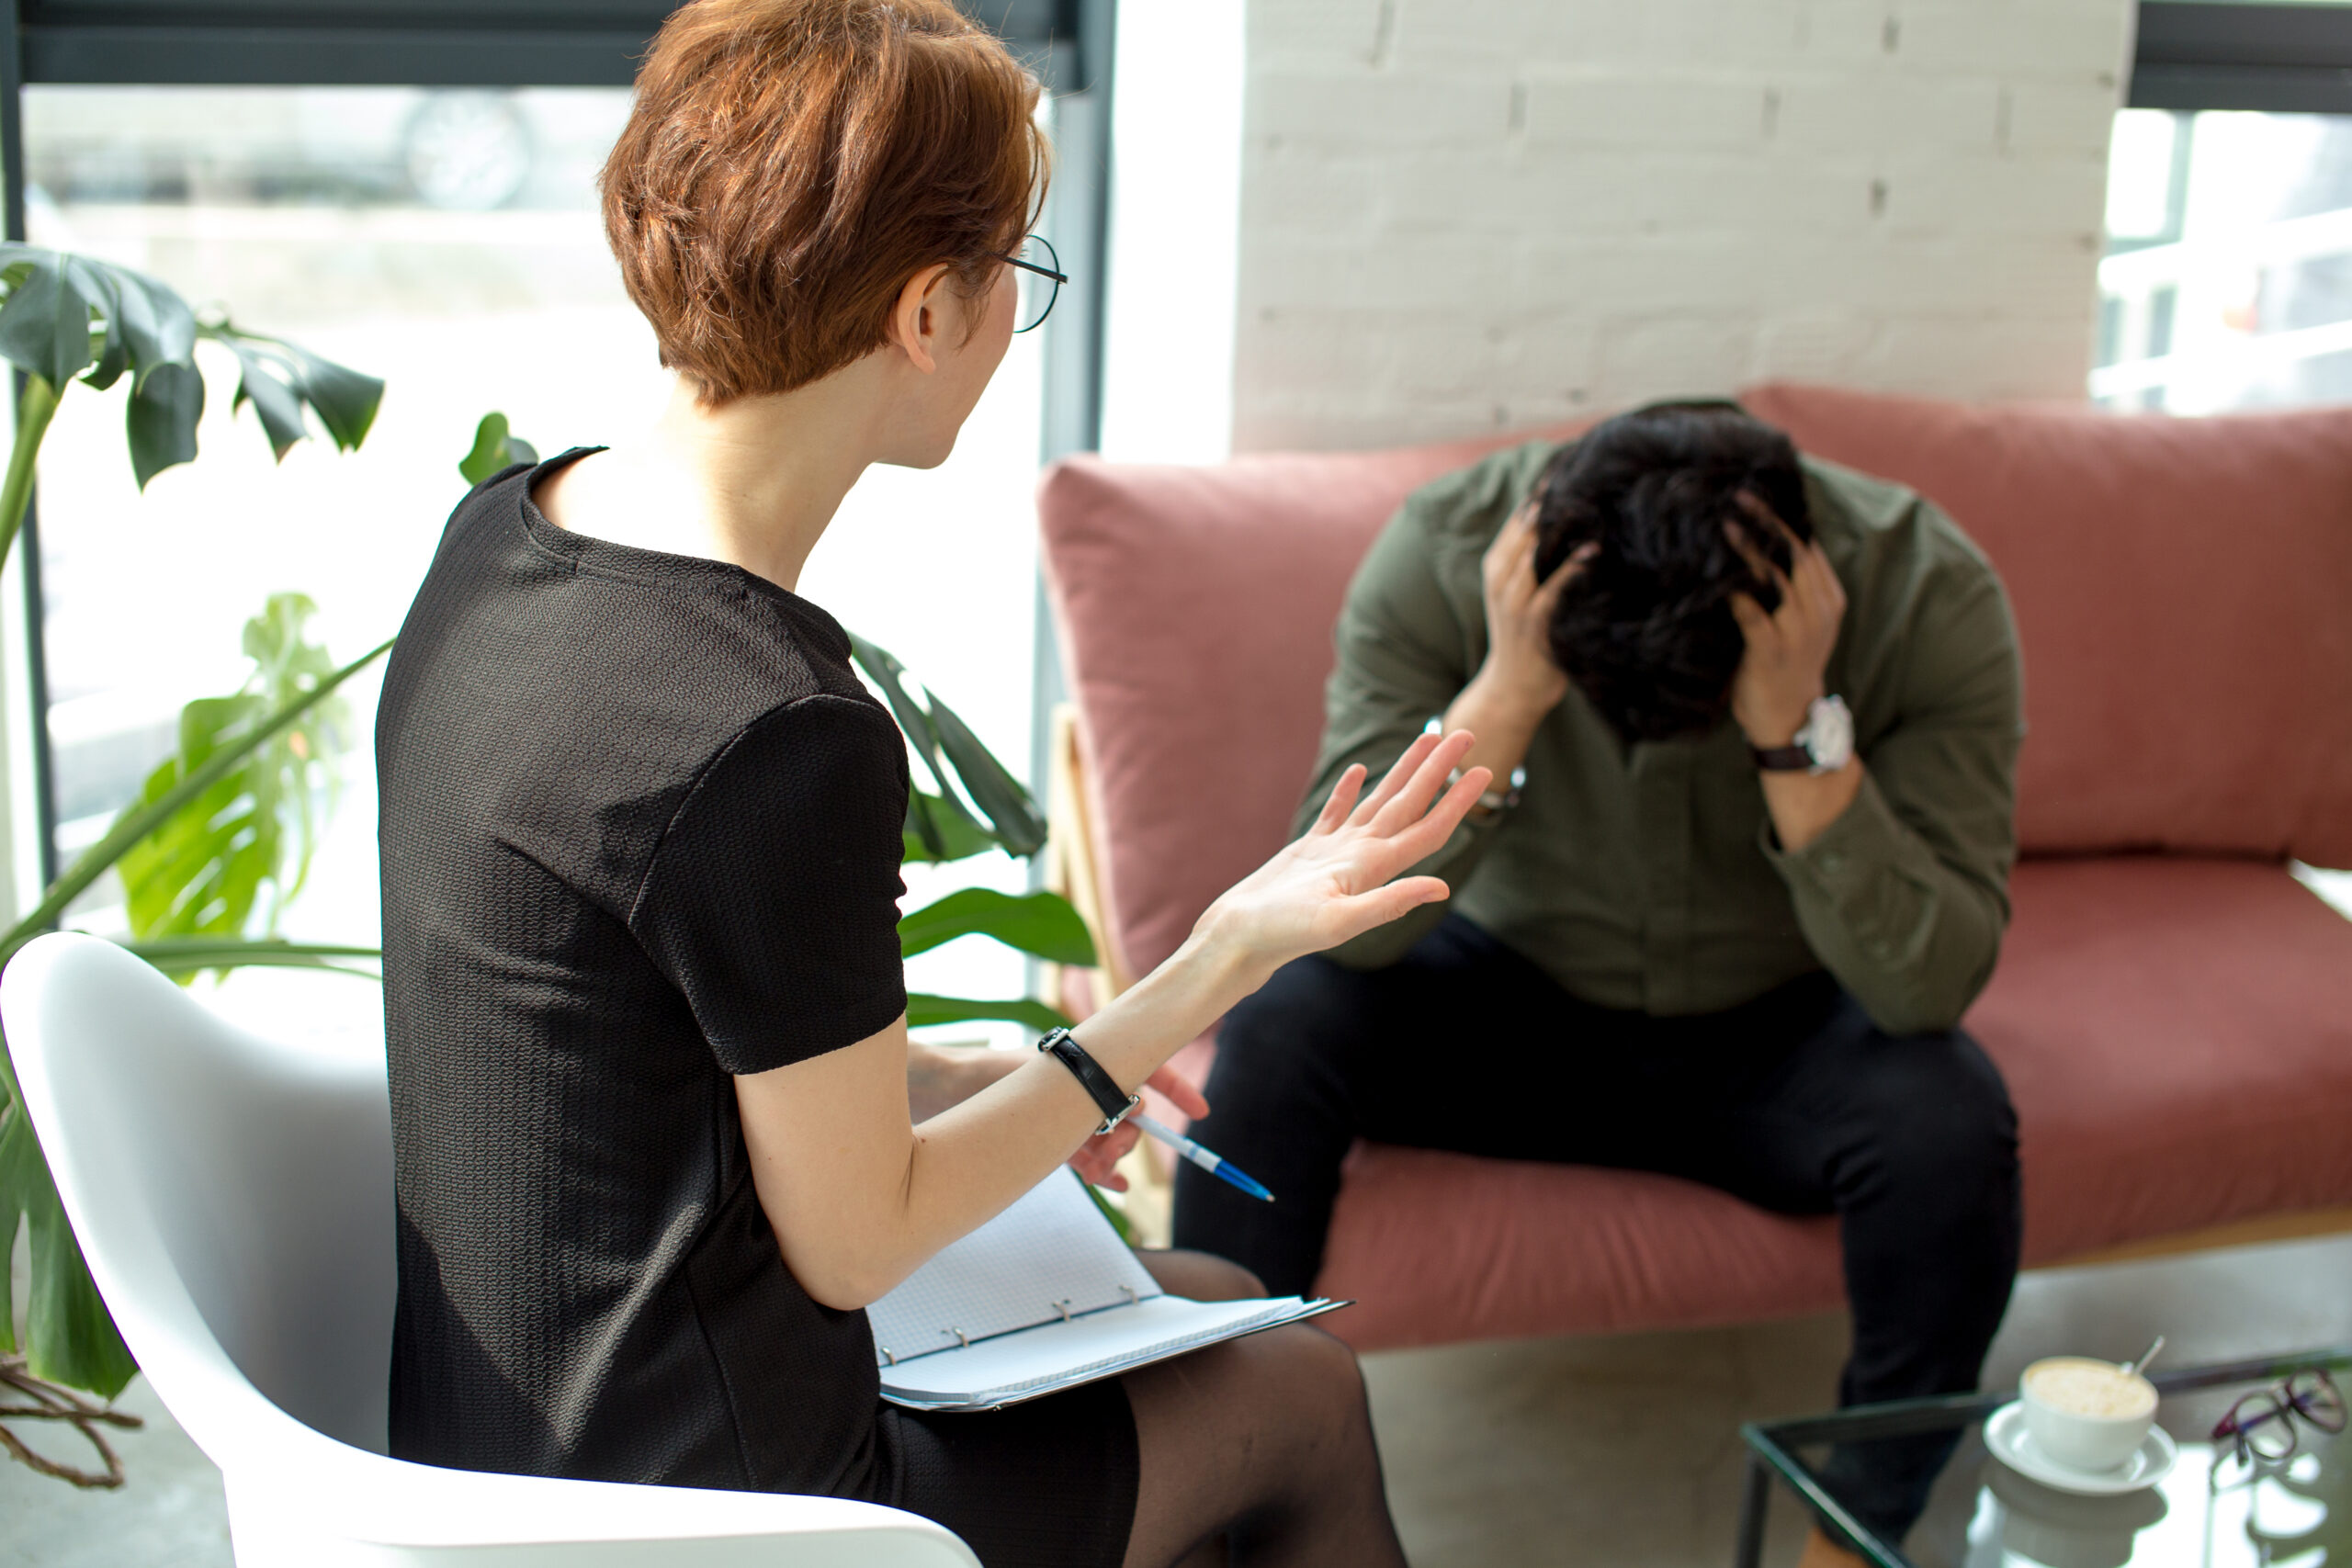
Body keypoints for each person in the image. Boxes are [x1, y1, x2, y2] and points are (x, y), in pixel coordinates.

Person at [374, 4, 1485, 1564]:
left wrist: (941, 1079)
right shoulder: (770, 727)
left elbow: (615, 1029)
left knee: (1229, 1304)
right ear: (923, 311)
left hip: (507, 1416)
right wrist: (1219, 957)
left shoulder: (507, 534)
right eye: (1014, 276)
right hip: (699, 1495)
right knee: (1294, 1396)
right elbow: (857, 1239)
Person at [1172, 401, 2027, 1554]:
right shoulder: (1439, 552)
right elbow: (1338, 930)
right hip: (1504, 997)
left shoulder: (1929, 589)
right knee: (1281, 1030)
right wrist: (1512, 693)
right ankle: (1213, 1491)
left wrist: (1791, 731)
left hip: (1777, 1023)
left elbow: (1925, 985)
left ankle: (1851, 1530)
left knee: (1950, 1125)